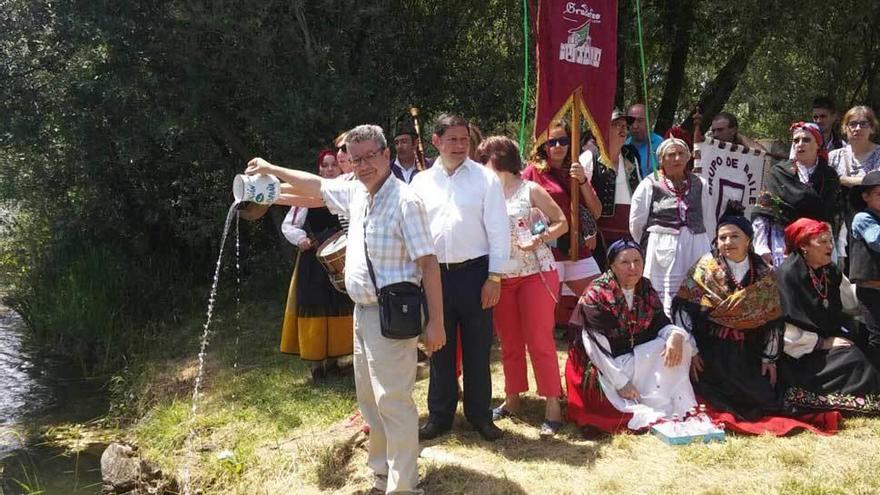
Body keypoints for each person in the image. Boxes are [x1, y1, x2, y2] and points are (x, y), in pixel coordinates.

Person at [244, 124, 445, 494]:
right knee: (370, 401)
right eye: (357, 159)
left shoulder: (406, 201)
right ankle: (381, 473)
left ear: (386, 155)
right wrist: (272, 169)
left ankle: (404, 486)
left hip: (394, 312)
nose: (364, 164)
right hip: (363, 313)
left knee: (394, 401)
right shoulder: (357, 191)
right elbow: (314, 187)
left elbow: (429, 264)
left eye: (371, 156)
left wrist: (436, 324)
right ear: (349, 163)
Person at [411, 114, 510, 442]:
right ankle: (440, 417)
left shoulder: (485, 179)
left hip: (475, 275)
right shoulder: (420, 183)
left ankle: (480, 416)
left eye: (464, 139)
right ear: (436, 141)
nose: (459, 146)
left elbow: (499, 230)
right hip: (434, 275)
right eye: (451, 139)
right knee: (438, 347)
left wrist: (494, 277)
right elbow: (412, 233)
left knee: (478, 349)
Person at [477, 136, 568, 437]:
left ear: (499, 158)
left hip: (536, 274)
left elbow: (561, 222)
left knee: (539, 339)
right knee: (509, 342)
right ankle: (513, 398)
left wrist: (539, 239)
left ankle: (553, 404)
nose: (479, 166)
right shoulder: (484, 193)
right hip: (500, 277)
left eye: (483, 159)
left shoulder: (530, 188)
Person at [566, 239, 697, 433]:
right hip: (605, 365)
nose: (633, 268)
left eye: (638, 261)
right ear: (611, 265)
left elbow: (662, 324)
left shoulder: (645, 288)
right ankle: (636, 395)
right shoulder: (597, 294)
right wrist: (621, 383)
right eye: (625, 262)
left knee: (680, 343)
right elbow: (594, 346)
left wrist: (676, 336)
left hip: (633, 357)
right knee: (614, 409)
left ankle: (662, 399)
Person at [672, 213, 786, 420]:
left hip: (748, 350)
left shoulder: (763, 273)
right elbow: (683, 310)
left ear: (748, 240)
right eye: (722, 237)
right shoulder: (704, 269)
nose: (728, 242)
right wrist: (693, 351)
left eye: (734, 236)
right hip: (712, 351)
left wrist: (769, 358)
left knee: (765, 400)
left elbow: (772, 319)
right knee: (712, 396)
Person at [776, 218, 880, 414]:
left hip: (830, 338)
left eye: (830, 241)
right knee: (854, 360)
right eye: (822, 242)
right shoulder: (788, 275)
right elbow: (783, 327)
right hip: (800, 352)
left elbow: (851, 302)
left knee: (861, 349)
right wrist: (820, 343)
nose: (829, 246)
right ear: (804, 246)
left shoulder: (829, 271)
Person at [279, 150, 355, 381]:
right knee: (314, 308)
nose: (330, 169)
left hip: (341, 260)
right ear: (319, 169)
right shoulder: (308, 195)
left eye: (334, 165)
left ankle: (334, 362)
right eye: (326, 165)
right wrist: (300, 239)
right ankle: (316, 365)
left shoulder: (345, 193)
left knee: (338, 308)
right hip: (314, 261)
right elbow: (289, 225)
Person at [630, 137, 715, 314]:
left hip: (696, 246)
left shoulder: (701, 183)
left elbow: (708, 218)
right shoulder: (649, 184)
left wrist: (706, 244)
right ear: (661, 159)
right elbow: (637, 222)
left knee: (695, 292)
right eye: (671, 155)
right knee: (665, 297)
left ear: (688, 157)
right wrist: (650, 242)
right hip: (662, 247)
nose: (677, 159)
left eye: (681, 154)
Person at [522, 120, 603, 300]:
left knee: (599, 301)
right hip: (547, 251)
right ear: (543, 144)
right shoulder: (531, 173)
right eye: (552, 142)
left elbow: (596, 211)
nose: (558, 146)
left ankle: (575, 328)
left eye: (564, 141)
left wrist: (582, 180)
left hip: (577, 249)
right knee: (547, 311)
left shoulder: (575, 171)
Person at [751, 122, 840, 267]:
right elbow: (763, 210)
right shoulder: (778, 173)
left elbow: (835, 213)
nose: (800, 144)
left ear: (818, 144)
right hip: (783, 242)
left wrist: (839, 248)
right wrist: (761, 246)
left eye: (806, 140)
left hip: (820, 242)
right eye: (796, 140)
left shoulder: (829, 176)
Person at [580, 109, 641, 251]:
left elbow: (639, 192)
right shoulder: (590, 158)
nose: (623, 129)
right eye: (617, 125)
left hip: (628, 229)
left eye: (625, 126)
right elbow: (578, 198)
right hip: (600, 231)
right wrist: (589, 229)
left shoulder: (630, 157)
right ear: (604, 129)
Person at [829, 106, 880, 267]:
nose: (858, 128)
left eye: (864, 124)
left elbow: (875, 182)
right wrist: (861, 180)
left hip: (871, 222)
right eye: (853, 124)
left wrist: (843, 180)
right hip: (838, 222)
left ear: (872, 128)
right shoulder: (834, 156)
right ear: (845, 128)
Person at [850, 171, 880, 366]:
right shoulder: (863, 218)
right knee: (877, 337)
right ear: (865, 196)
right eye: (879, 194)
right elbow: (877, 240)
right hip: (871, 289)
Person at [625, 103, 664, 177]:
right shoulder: (624, 147)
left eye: (640, 120)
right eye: (631, 121)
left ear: (651, 121)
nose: (635, 126)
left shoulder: (661, 145)